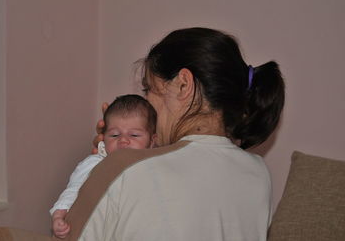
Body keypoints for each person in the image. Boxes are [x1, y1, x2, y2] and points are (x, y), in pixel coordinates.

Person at [63, 27, 285, 241]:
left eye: (148, 88)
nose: (147, 101)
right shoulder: (258, 173)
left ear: (183, 85)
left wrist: (101, 169)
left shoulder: (123, 168)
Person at [50, 94, 157, 239]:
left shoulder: (154, 167)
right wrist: (59, 215)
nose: (123, 141)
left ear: (152, 141)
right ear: (103, 138)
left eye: (134, 135)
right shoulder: (94, 163)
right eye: (114, 135)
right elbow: (73, 189)